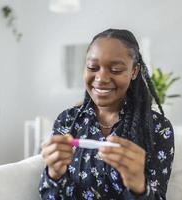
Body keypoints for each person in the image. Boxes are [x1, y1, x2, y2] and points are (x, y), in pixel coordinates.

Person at [39, 29, 174, 200]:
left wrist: (139, 186)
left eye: (116, 70)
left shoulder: (158, 128)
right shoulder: (67, 121)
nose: (101, 77)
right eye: (92, 67)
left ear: (134, 71)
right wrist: (54, 174)